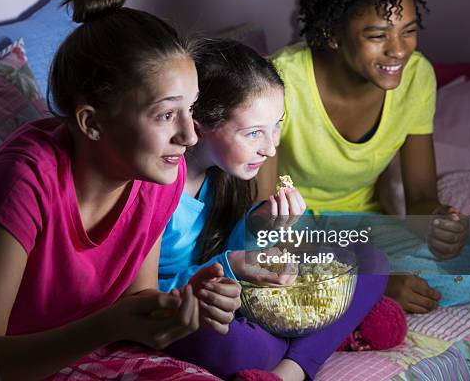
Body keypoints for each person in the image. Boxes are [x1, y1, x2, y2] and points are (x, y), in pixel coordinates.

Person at [0, 0, 240, 379]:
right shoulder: (25, 179)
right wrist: (110, 325)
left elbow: (138, 297)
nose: (190, 135)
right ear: (91, 122)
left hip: (75, 353)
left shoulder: (161, 175)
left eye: (190, 109)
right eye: (165, 114)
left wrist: (182, 304)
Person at [158, 38, 388, 381]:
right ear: (201, 123)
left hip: (236, 297)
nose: (271, 147)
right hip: (186, 311)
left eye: (277, 125)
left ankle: (293, 363)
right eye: (254, 133)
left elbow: (235, 251)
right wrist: (229, 266)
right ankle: (321, 341)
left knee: (370, 259)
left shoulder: (225, 174)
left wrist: (260, 226)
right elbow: (143, 295)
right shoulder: (156, 186)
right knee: (245, 349)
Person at [261, 0, 470, 314]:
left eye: (409, 30)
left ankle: (347, 298)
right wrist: (374, 282)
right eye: (377, 36)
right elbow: (261, 220)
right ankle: (357, 294)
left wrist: (438, 223)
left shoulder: (417, 77)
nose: (399, 50)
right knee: (271, 278)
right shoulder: (280, 81)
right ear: (333, 34)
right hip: (290, 230)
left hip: (362, 224)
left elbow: (420, 198)